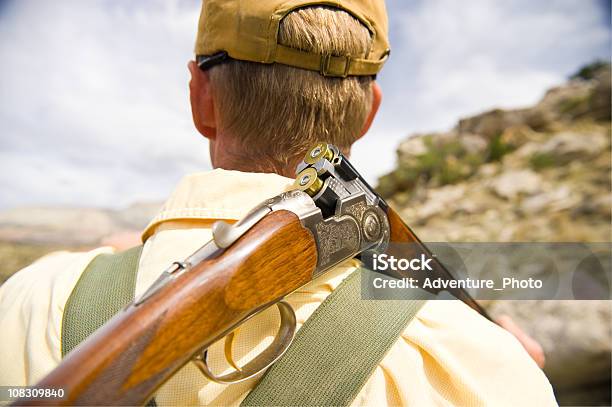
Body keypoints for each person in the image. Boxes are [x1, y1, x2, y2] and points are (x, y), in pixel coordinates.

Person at [0, 0, 555, 405]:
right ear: (368, 113)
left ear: (201, 97)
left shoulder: (28, 301)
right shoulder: (479, 366)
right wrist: (504, 365)